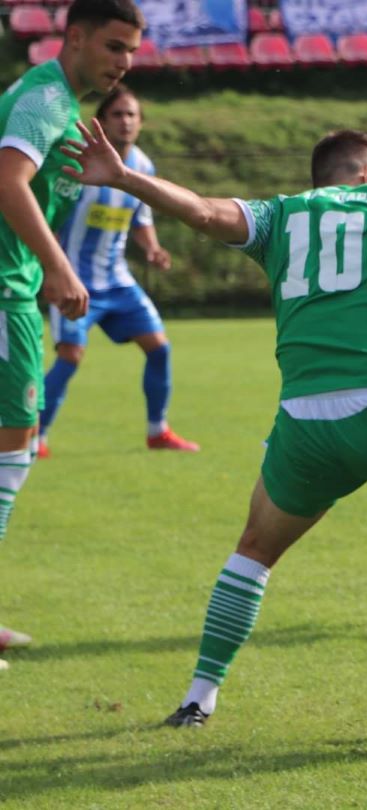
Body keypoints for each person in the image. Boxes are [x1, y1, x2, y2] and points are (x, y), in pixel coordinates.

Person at [62, 124, 367, 724]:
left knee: (253, 552)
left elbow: (206, 214)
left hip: (306, 427)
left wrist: (126, 176)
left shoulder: (279, 215)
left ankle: (197, 701)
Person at [0, 0, 144, 668]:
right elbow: (9, 181)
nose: (125, 63)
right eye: (114, 47)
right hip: (7, 292)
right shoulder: (45, 98)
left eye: (133, 51)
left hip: (15, 289)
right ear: (76, 38)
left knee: (12, 450)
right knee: (12, 451)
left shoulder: (62, 107)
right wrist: (58, 267)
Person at [39, 85, 199, 456]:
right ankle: (35, 437)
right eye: (118, 114)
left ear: (141, 123)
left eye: (132, 115)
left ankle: (158, 431)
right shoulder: (78, 165)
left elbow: (140, 217)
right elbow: (52, 217)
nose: (126, 121)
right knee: (70, 355)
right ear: (103, 121)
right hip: (76, 278)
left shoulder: (142, 166)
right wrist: (50, 268)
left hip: (117, 279)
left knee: (159, 348)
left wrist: (153, 248)